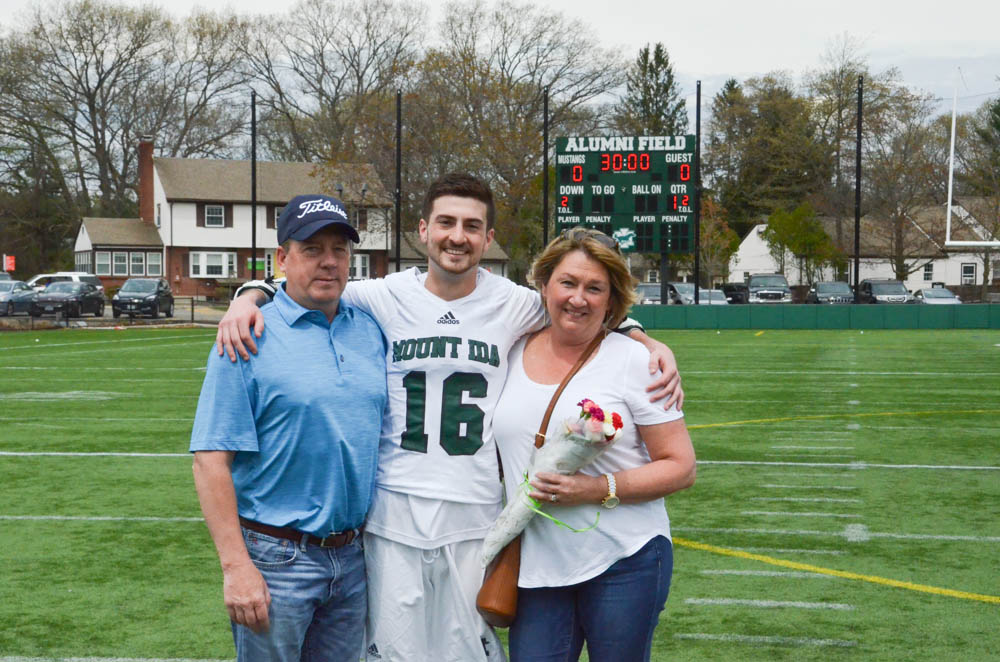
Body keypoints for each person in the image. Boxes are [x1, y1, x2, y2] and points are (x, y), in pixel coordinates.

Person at [215, 174, 684, 661]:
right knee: (393, 653)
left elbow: (581, 304)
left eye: (472, 225)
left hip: (476, 513)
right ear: (423, 229)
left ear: (488, 237)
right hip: (394, 510)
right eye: (446, 222)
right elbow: (305, 281)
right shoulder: (381, 295)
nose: (457, 236)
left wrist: (642, 336)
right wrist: (248, 296)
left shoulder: (516, 303)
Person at [190, 194, 388, 662]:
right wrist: (236, 567)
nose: (328, 262)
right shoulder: (248, 334)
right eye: (311, 249)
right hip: (277, 556)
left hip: (352, 555)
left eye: (339, 250)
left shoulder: (370, 329)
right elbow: (210, 460)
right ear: (282, 258)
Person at [492, 228, 696, 662]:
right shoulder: (510, 351)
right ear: (544, 284)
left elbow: (680, 466)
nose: (578, 299)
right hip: (535, 565)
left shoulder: (635, 360)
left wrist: (593, 488)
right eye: (567, 283)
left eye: (594, 288)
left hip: (624, 560)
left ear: (612, 299)